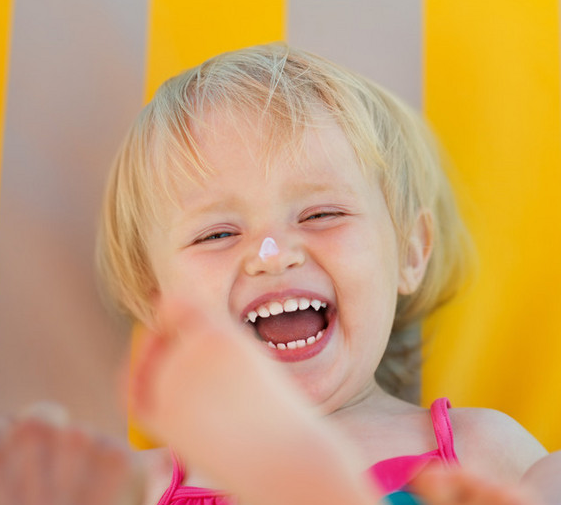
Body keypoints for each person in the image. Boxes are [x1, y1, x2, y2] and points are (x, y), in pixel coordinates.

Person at [93, 44, 550, 504]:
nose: (272, 255)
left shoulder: (485, 450)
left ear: (411, 251)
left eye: (321, 214)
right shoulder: (130, 488)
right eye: (217, 234)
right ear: (154, 297)